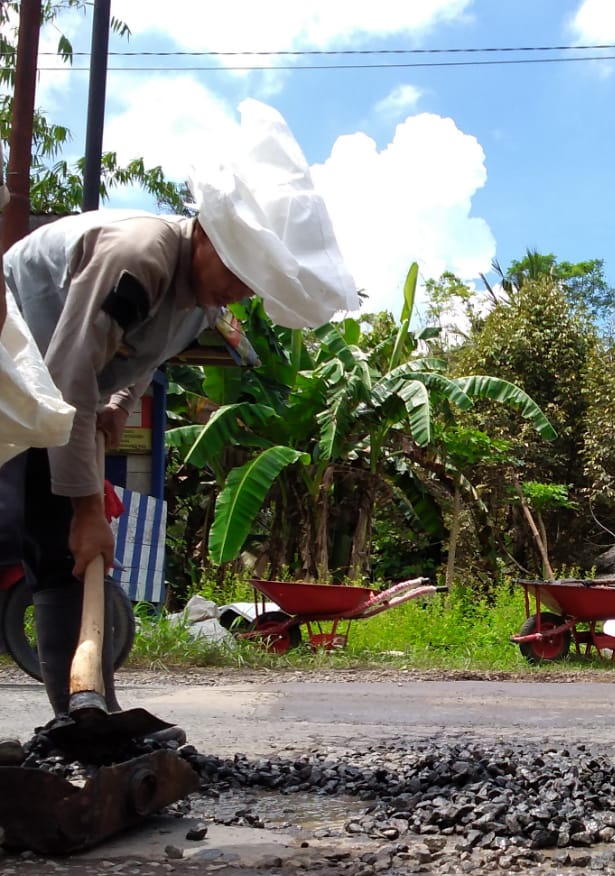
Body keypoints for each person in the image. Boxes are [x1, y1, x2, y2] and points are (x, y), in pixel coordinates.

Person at [1, 99, 359, 748]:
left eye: (255, 287)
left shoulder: (200, 299)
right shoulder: (139, 257)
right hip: (15, 374)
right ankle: (82, 711)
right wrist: (87, 508)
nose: (242, 295)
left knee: (56, 549)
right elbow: (67, 379)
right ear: (209, 235)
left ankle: (87, 712)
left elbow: (142, 354)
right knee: (36, 531)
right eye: (240, 276)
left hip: (40, 391)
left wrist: (117, 406)